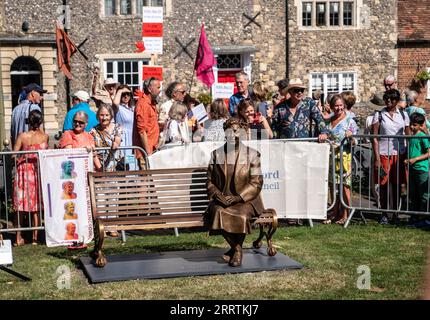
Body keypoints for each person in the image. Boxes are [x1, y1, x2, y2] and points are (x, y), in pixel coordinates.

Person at [204, 117, 265, 267]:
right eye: (229, 131)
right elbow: (209, 181)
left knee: (242, 215)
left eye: (236, 131)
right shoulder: (216, 154)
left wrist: (239, 197)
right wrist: (218, 195)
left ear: (243, 133)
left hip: (246, 201)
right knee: (218, 213)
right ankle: (237, 249)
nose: (232, 134)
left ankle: (233, 251)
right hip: (221, 200)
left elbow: (257, 182)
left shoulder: (253, 155)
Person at [371, 89, 411, 224]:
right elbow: (374, 137)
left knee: (397, 185)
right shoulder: (379, 115)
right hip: (383, 153)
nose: (389, 101)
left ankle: (395, 214)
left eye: (392, 99)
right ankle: (384, 213)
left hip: (399, 153)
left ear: (397, 101)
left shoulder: (404, 115)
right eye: (387, 99)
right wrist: (376, 158)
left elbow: (409, 135)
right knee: (383, 184)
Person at [320, 94, 359, 225]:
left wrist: (351, 137)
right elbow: (324, 132)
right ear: (331, 107)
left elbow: (356, 141)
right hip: (331, 156)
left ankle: (346, 214)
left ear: (344, 105)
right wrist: (323, 135)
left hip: (344, 157)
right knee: (332, 185)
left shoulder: (350, 121)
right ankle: (334, 212)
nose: (338, 108)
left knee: (344, 186)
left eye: (340, 105)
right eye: (336, 105)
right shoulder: (329, 120)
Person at [12, 109, 49, 246]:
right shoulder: (45, 137)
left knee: (20, 206)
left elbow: (13, 154)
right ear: (40, 121)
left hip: (23, 171)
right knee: (36, 206)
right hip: (36, 171)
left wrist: (23, 156)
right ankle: (35, 237)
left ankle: (18, 237)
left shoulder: (22, 136)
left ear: (28, 120)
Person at [404, 113, 430, 221]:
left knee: (423, 194)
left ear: (420, 125)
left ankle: (424, 217)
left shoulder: (422, 136)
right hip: (412, 169)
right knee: (413, 193)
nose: (411, 127)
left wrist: (415, 159)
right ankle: (414, 216)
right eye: (411, 124)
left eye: (414, 125)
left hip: (421, 169)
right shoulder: (411, 136)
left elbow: (428, 153)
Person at [133, 77, 161, 168]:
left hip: (153, 149)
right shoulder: (143, 104)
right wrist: (148, 153)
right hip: (146, 153)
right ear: (149, 89)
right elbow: (142, 131)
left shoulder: (151, 103)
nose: (159, 90)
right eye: (158, 87)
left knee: (152, 180)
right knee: (147, 180)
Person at [11, 83, 46, 148]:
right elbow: (40, 131)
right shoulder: (34, 107)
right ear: (32, 93)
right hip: (30, 152)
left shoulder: (15, 109)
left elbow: (12, 132)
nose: (41, 97)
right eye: (39, 93)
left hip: (18, 151)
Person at [90, 104, 123, 172]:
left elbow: (117, 141)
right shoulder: (93, 131)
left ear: (111, 116)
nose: (104, 118)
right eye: (101, 115)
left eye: (107, 115)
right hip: (99, 166)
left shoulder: (117, 128)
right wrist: (100, 169)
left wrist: (115, 144)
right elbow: (93, 151)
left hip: (115, 165)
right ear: (98, 116)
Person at [112, 85, 136, 170]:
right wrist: (120, 90)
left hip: (132, 139)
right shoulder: (118, 108)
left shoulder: (133, 108)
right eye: (123, 94)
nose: (126, 96)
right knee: (123, 165)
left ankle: (133, 181)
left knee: (132, 165)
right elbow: (115, 103)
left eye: (128, 94)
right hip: (123, 140)